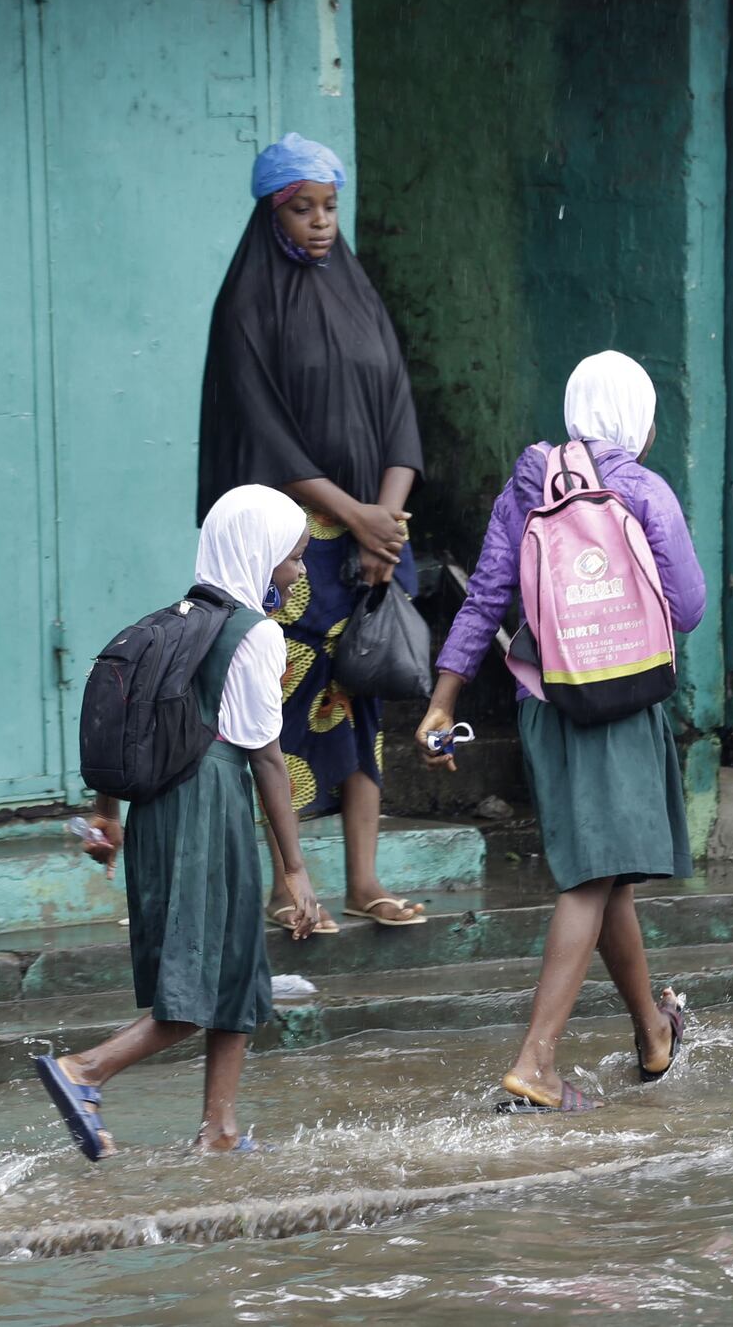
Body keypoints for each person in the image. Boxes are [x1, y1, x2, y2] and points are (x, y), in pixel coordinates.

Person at [421, 352, 700, 1113]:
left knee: (604, 873)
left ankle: (653, 1029)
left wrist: (443, 698)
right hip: (621, 696)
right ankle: (537, 1060)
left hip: (547, 699)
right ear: (638, 421)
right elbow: (690, 602)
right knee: (591, 879)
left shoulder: (527, 486)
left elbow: (484, 597)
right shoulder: (641, 487)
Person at [34, 486, 323, 1159]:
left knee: (237, 970)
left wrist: (108, 819)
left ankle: (219, 1128)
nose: (299, 571)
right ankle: (86, 1070)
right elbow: (269, 761)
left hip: (158, 809)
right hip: (208, 806)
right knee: (195, 982)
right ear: (259, 552)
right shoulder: (254, 634)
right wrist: (297, 872)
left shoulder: (165, 624)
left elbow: (123, 727)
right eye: (294, 558)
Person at [197, 133, 429, 931]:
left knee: (363, 701)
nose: (322, 223)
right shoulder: (247, 308)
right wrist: (355, 516)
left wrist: (384, 525)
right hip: (294, 549)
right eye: (304, 209)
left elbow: (399, 408)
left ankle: (366, 879)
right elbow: (263, 435)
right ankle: (287, 883)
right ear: (271, 215)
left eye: (330, 207)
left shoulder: (359, 295)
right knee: (283, 704)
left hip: (370, 545)